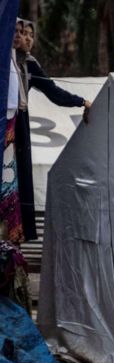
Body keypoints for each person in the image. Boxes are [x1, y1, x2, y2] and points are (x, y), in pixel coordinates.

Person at [13, 18, 90, 242]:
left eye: (29, 33)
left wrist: (81, 101)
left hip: (19, 123)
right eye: (19, 32)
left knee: (19, 176)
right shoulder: (5, 59)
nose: (25, 37)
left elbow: (53, 92)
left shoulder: (29, 64)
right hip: (6, 121)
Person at [1, 22, 25, 244]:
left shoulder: (16, 61)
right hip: (5, 120)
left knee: (9, 181)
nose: (19, 36)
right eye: (15, 31)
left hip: (10, 120)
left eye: (22, 32)